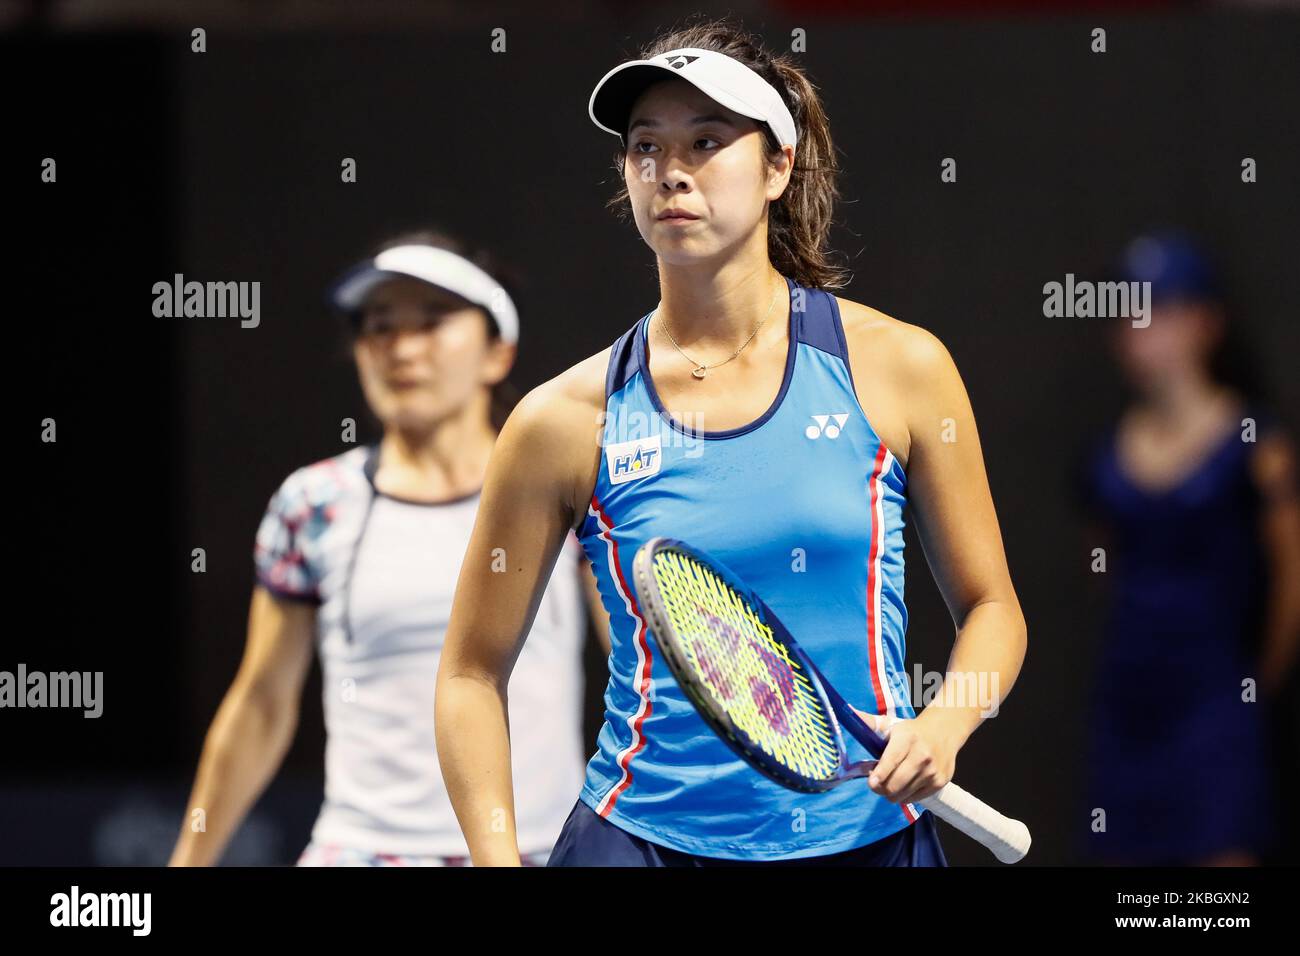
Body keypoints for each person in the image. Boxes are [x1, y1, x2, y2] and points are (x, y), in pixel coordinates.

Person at [436, 18, 1027, 866]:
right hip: (638, 841)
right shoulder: (560, 421)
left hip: (867, 842)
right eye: (645, 147)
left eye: (706, 141)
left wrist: (948, 720)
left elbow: (994, 610)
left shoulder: (901, 368)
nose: (669, 171)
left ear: (779, 165)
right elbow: (468, 676)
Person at [170, 230, 607, 867]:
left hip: (534, 853)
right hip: (360, 853)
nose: (401, 348)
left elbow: (640, 669)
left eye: (432, 323)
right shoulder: (312, 505)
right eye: (379, 327)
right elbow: (261, 703)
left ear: (497, 353)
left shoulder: (566, 490)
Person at [1077, 231, 1300, 866]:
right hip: (1127, 707)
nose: (1141, 331)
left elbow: (1290, 581)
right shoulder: (1109, 454)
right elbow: (1106, 566)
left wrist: (1252, 684)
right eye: (1129, 314)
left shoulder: (1257, 446)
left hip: (1216, 710)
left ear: (1206, 323)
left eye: (1161, 311)